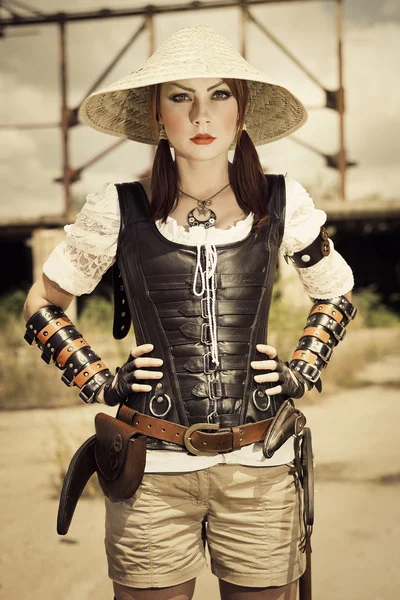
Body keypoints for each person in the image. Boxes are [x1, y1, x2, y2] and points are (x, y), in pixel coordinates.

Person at [23, 25, 356, 600]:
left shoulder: (282, 203)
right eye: (180, 97)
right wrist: (100, 381)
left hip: (261, 466)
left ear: (241, 111)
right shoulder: (117, 207)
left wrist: (301, 368)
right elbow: (42, 303)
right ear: (157, 114)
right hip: (149, 472)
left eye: (219, 94)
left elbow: (335, 294)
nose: (201, 115)